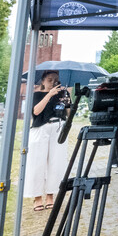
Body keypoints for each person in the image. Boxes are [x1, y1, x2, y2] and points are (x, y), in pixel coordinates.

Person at [24, 70, 69, 211]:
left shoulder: (63, 95)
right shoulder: (37, 95)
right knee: (37, 163)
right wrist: (49, 95)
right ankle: (37, 197)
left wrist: (68, 103)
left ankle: (50, 195)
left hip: (57, 128)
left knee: (56, 163)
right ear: (42, 81)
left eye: (56, 80)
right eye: (50, 80)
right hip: (41, 128)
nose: (53, 82)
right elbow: (36, 111)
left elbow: (68, 113)